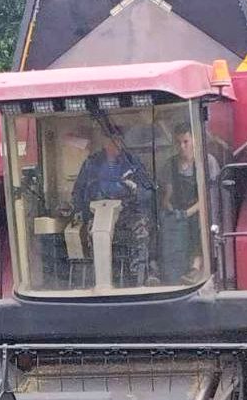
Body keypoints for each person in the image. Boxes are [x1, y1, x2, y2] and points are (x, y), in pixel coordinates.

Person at [70, 126, 154, 286]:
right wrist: (79, 210)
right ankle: (101, 280)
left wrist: (135, 189)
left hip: (127, 214)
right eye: (110, 139)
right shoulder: (91, 164)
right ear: (104, 142)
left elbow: (148, 192)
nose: (114, 143)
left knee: (141, 228)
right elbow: (78, 193)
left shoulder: (133, 163)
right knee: (92, 232)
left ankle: (138, 279)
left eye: (117, 139)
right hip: (97, 214)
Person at [161, 122, 220, 284]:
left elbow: (208, 196)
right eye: (178, 142)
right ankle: (164, 271)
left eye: (186, 142)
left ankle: (196, 268)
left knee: (202, 226)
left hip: (201, 209)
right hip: (179, 210)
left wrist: (188, 213)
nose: (182, 146)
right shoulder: (170, 165)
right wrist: (170, 208)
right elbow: (168, 193)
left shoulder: (207, 162)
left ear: (194, 140)